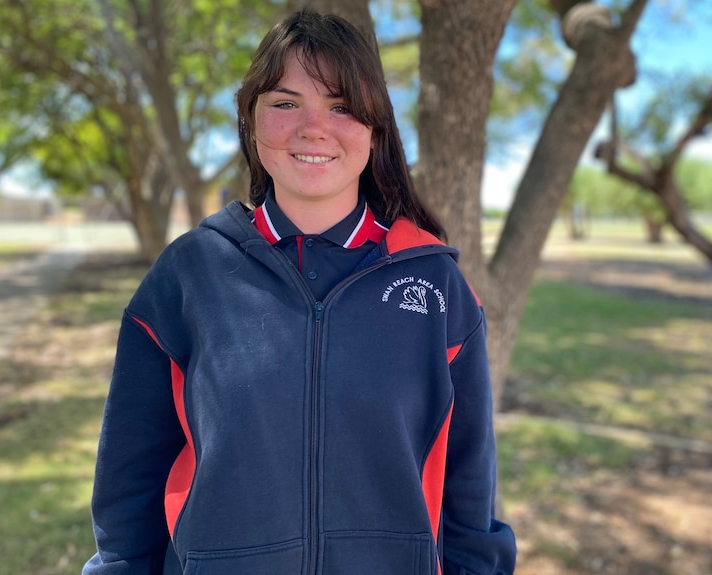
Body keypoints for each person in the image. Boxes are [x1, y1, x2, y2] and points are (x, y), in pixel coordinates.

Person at [83, 10, 516, 575]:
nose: (314, 128)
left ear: (374, 130)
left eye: (340, 106)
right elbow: (129, 482)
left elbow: (468, 488)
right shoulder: (186, 277)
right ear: (251, 121)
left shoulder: (436, 288)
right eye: (285, 103)